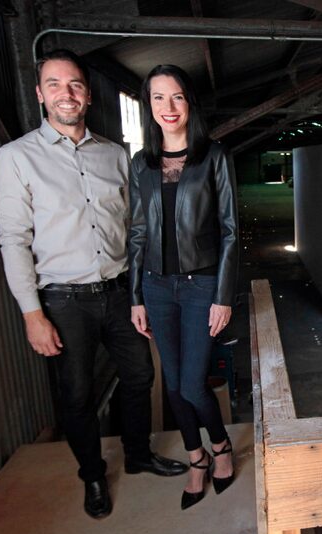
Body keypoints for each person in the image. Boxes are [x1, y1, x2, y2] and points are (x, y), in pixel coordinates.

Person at [0, 49, 187, 520]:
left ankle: (138, 455)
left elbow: (133, 225)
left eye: (75, 84)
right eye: (55, 85)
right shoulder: (16, 158)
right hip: (63, 300)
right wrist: (32, 315)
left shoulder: (113, 154)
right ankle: (94, 475)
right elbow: (13, 239)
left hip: (119, 291)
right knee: (77, 394)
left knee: (140, 375)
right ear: (40, 94)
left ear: (88, 92)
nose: (67, 93)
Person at [128, 64, 238, 510]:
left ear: (189, 101)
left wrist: (224, 295)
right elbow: (137, 233)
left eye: (176, 96)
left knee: (192, 385)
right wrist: (135, 295)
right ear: (148, 105)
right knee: (173, 385)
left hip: (200, 286)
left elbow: (230, 229)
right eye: (157, 98)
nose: (168, 107)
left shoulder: (213, 156)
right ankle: (196, 458)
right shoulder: (142, 163)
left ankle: (222, 447)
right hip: (156, 287)